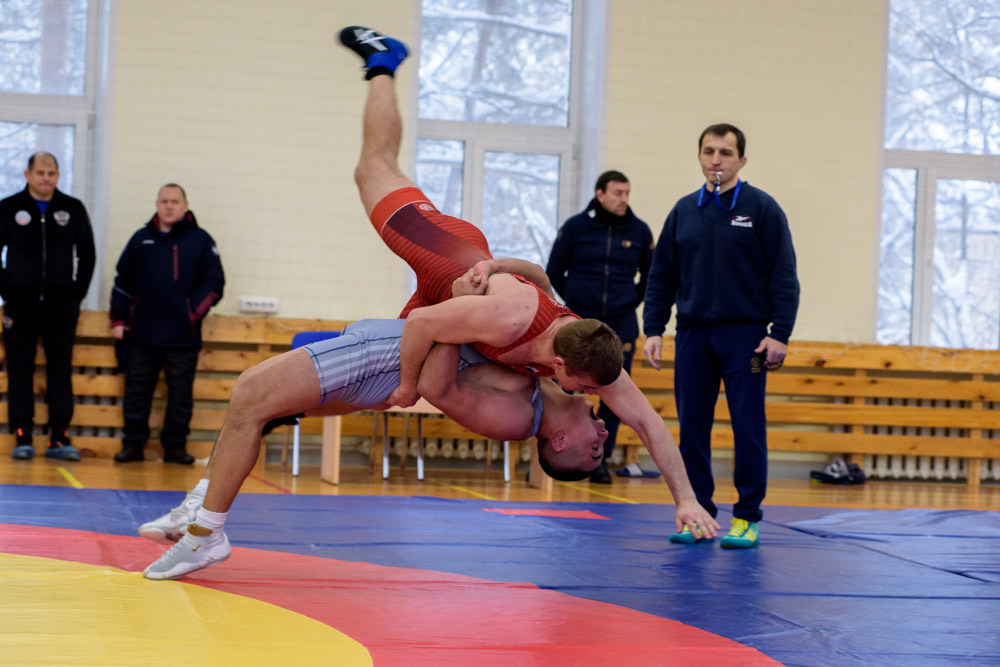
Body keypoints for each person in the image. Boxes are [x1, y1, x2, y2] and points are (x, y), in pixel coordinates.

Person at [340, 26, 717, 534]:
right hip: (442, 251)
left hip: (458, 290)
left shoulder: (583, 352)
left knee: (362, 386)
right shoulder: (519, 323)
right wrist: (411, 386)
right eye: (593, 390)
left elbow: (649, 423)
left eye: (592, 393)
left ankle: (288, 407)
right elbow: (431, 323)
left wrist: (686, 500)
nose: (600, 407)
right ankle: (383, 63)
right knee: (373, 167)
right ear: (562, 365)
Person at [139, 318, 610, 579]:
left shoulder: (517, 417)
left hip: (383, 360)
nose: (605, 433)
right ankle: (197, 507)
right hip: (382, 350)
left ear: (560, 441)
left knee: (249, 393)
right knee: (252, 408)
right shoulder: (553, 375)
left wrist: (451, 312)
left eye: (594, 451)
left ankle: (205, 533)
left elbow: (439, 387)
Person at [642, 123, 800, 549]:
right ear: (699, 157)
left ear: (741, 160)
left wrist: (780, 333)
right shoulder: (683, 211)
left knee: (748, 427)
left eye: (726, 153)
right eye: (709, 151)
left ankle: (747, 516)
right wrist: (653, 328)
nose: (716, 159)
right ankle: (698, 513)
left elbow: (784, 275)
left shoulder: (762, 208)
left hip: (747, 338)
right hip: (693, 336)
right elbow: (662, 276)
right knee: (693, 429)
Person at [546, 170, 653, 483]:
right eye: (618, 193)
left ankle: (600, 460)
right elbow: (554, 271)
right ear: (600, 194)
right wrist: (577, 301)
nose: (624, 199)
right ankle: (556, 455)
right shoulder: (575, 228)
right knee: (563, 389)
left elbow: (650, 277)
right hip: (579, 320)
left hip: (621, 322)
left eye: (627, 193)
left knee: (614, 391)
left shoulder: (640, 231)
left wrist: (626, 302)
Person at [110, 184, 225, 464]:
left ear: (185, 205)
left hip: (183, 336)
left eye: (175, 201)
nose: (169, 206)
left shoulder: (200, 240)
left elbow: (215, 282)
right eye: (164, 201)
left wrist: (191, 313)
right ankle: (133, 445)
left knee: (180, 395)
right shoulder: (140, 239)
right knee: (136, 392)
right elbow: (122, 281)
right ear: (157, 204)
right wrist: (118, 319)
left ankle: (175, 448)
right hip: (142, 334)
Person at [0, 152, 95, 461]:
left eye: (51, 173)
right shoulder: (9, 207)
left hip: (61, 308)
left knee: (60, 371)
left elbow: (87, 255)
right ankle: (22, 436)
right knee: (20, 371)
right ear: (27, 175)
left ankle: (59, 437)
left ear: (58, 176)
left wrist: (76, 295)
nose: (46, 178)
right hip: (20, 307)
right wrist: (7, 291)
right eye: (40, 172)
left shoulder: (73, 208)